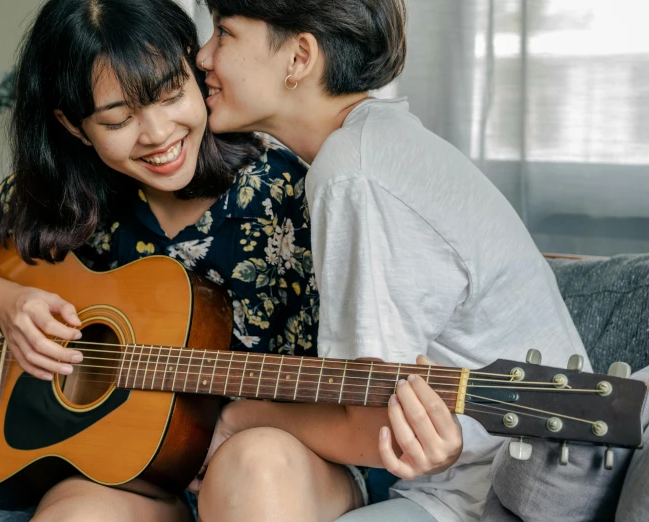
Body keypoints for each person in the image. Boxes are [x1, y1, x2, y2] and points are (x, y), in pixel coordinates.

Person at [0, 1, 462, 521]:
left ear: (198, 73)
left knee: (253, 467)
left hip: (283, 463)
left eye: (171, 94)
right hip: (137, 478)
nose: (159, 134)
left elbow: (367, 381)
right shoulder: (66, 194)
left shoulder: (295, 191)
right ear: (75, 126)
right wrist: (8, 303)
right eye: (117, 120)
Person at [194, 1, 589, 521]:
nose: (202, 57)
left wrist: (240, 415)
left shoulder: (354, 174)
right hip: (451, 479)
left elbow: (373, 427)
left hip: (494, 494)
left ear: (299, 58)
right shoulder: (372, 146)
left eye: (223, 33)